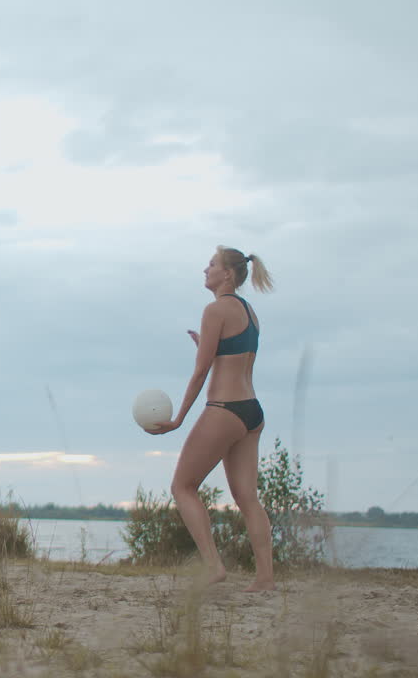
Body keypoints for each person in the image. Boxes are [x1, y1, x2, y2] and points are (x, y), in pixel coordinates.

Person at [144, 246, 276, 592]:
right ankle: (265, 579)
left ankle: (215, 566)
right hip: (252, 412)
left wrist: (178, 420)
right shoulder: (249, 311)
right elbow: (232, 356)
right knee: (248, 498)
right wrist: (209, 345)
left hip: (224, 410)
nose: (205, 270)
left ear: (228, 274)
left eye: (212, 265)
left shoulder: (215, 309)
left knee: (182, 487)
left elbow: (201, 371)